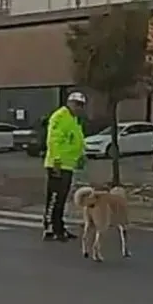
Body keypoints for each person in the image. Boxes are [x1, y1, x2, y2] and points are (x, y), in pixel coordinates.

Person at [42, 92, 86, 241]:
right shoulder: (60, 117)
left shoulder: (73, 119)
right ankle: (50, 228)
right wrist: (57, 162)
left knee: (61, 199)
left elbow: (77, 140)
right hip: (58, 164)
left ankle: (59, 227)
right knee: (54, 198)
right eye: (77, 104)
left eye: (82, 105)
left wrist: (81, 155)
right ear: (70, 103)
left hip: (68, 165)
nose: (80, 108)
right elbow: (54, 141)